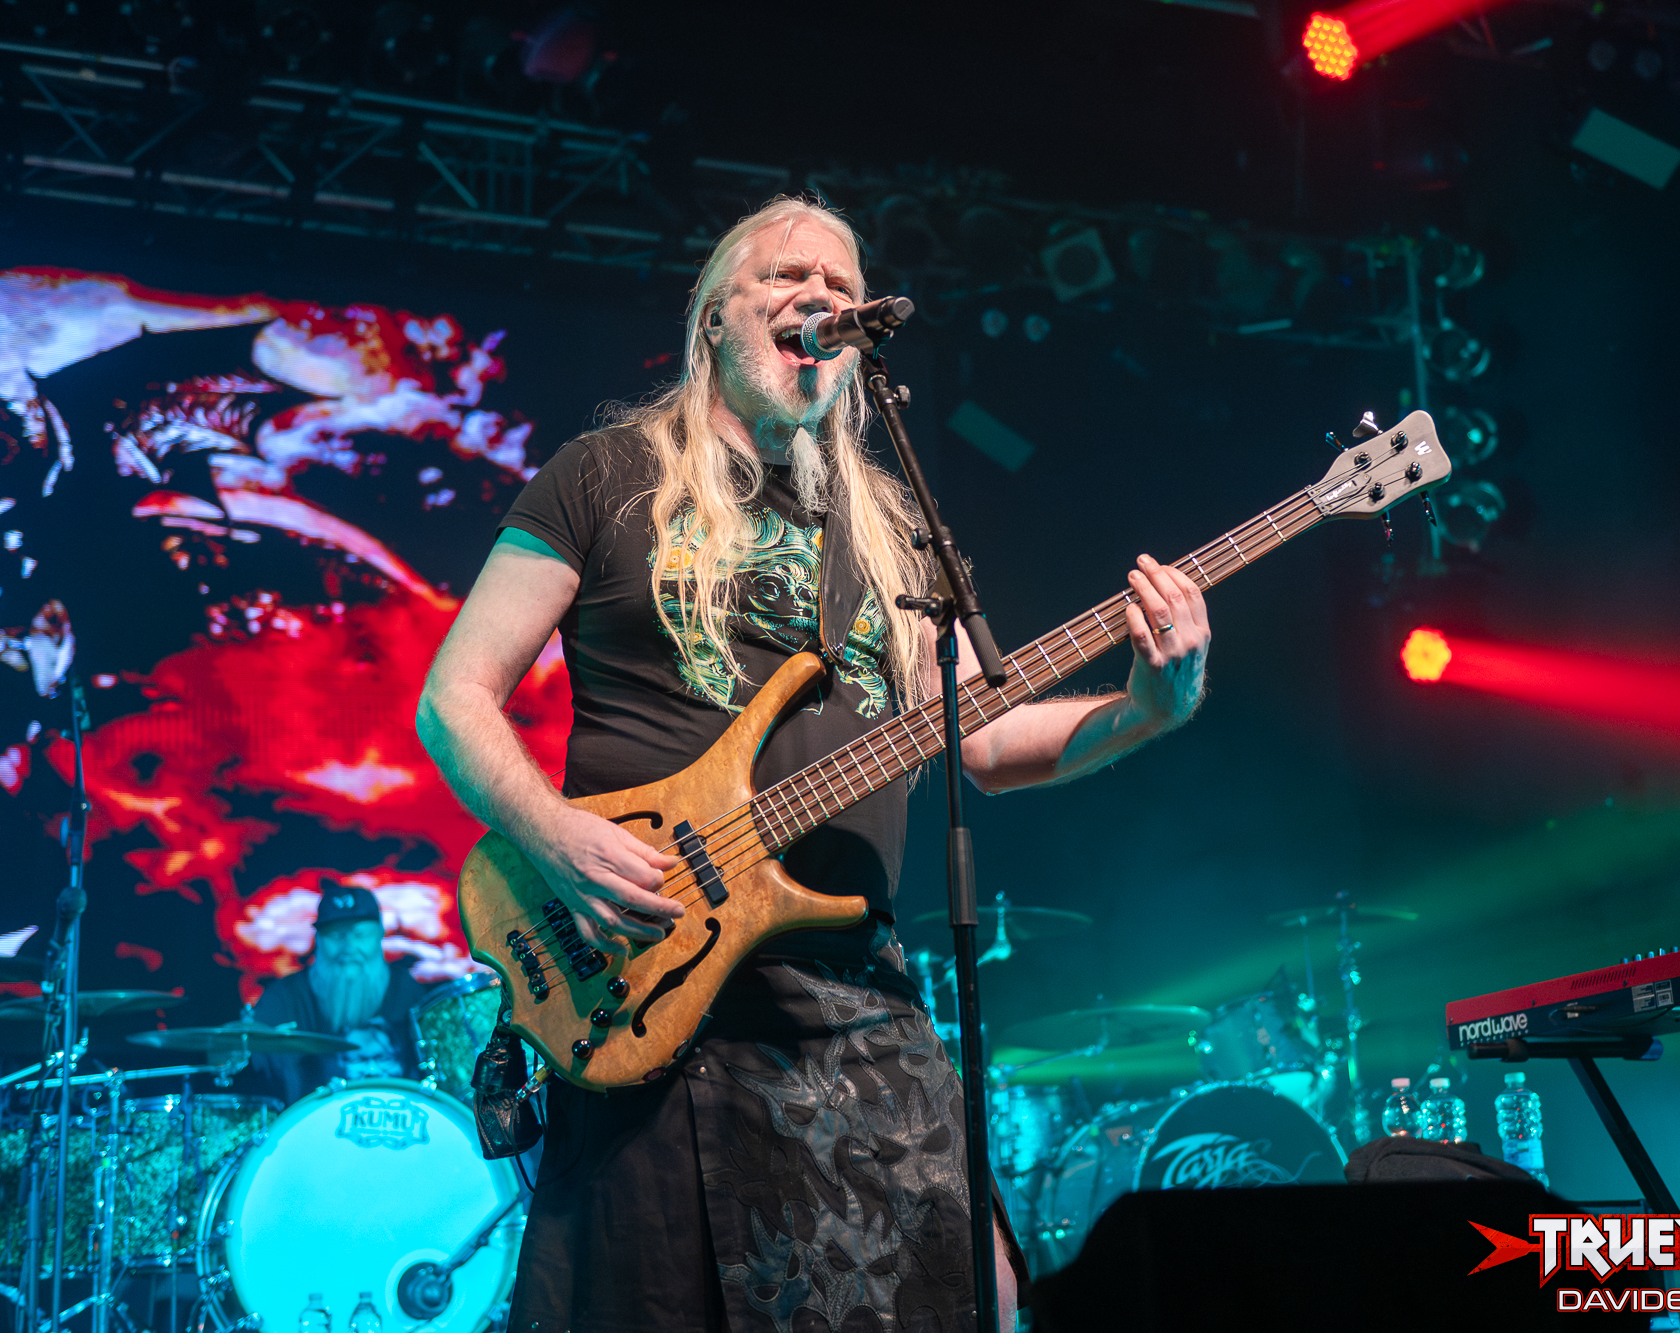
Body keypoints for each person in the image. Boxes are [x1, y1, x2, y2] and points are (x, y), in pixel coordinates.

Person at [415, 196, 1212, 1333]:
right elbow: (455, 696)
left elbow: (982, 742)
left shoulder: (888, 526)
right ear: (715, 317)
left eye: (841, 286)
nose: (821, 298)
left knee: (972, 1293)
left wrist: (1147, 707)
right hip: (655, 977)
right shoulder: (603, 476)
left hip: (848, 992)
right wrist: (555, 836)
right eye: (788, 277)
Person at [249, 885, 433, 1105]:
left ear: (380, 934)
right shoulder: (283, 999)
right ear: (318, 939)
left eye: (360, 935)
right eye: (336, 936)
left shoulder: (408, 992)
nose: (349, 946)